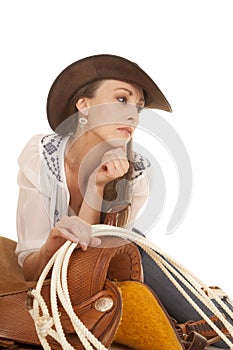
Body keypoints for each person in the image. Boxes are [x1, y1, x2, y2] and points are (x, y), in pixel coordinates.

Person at [15, 54, 232, 348]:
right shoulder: (41, 156)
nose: (133, 115)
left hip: (103, 274)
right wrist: (54, 241)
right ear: (84, 104)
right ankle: (221, 325)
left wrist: (96, 189)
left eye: (138, 107)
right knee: (129, 241)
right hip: (56, 282)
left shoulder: (136, 174)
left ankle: (218, 327)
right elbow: (31, 269)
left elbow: (97, 254)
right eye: (121, 99)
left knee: (127, 241)